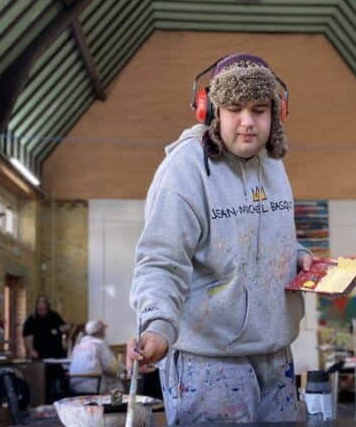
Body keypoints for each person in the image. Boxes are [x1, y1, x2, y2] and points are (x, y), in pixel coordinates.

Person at [127, 53, 312, 424]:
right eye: (234, 109)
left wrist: (297, 255)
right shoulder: (184, 171)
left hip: (275, 355)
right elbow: (161, 260)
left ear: (277, 113)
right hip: (207, 362)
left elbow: (259, 239)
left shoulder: (273, 164)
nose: (248, 122)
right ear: (210, 111)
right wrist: (158, 326)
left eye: (259, 110)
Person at [69, 320, 124, 394]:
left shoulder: (79, 345)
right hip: (94, 385)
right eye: (103, 330)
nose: (105, 333)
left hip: (74, 387)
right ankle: (119, 405)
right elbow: (111, 366)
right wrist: (123, 368)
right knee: (117, 385)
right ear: (99, 331)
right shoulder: (99, 344)